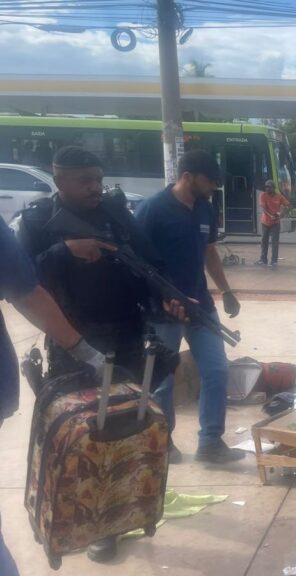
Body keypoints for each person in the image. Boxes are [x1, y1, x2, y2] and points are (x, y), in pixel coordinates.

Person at [15, 145, 184, 563]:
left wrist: (166, 298)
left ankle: (122, 511)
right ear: (59, 181)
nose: (95, 188)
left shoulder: (115, 211)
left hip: (126, 334)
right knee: (90, 433)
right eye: (84, 181)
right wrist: (64, 251)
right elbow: (22, 281)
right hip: (73, 341)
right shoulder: (37, 220)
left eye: (98, 179)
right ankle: (90, 523)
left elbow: (146, 262)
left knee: (126, 427)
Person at [2, 215, 113, 576]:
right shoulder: (39, 221)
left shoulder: (114, 218)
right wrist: (85, 352)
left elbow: (24, 288)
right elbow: (26, 290)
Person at [136, 150, 246, 465]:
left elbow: (209, 252)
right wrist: (161, 299)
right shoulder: (152, 210)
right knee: (163, 381)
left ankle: (210, 442)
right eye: (209, 182)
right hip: (162, 314)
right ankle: (163, 442)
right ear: (188, 177)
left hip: (201, 308)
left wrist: (225, 290)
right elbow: (137, 265)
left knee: (217, 370)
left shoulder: (205, 210)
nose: (212, 188)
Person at [257, 179, 291, 267]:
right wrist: (270, 215)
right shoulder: (263, 195)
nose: (267, 189)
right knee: (264, 241)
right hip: (265, 222)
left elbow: (289, 205)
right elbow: (264, 208)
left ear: (274, 188)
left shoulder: (279, 196)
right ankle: (263, 259)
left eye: (269, 187)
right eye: (266, 187)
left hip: (275, 223)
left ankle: (274, 261)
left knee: (275, 242)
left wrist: (282, 213)